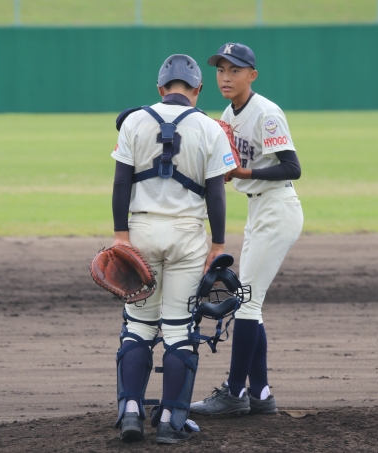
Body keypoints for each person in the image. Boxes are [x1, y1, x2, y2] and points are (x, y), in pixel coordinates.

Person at [110, 54, 236, 443]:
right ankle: (170, 420)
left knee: (138, 326)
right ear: (198, 89)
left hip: (142, 232)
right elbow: (216, 194)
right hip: (187, 235)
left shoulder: (133, 121)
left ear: (161, 89)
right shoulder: (210, 128)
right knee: (180, 330)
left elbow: (121, 183)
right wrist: (217, 243)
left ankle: (131, 413)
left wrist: (121, 236)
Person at [190, 43, 304, 416]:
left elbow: (292, 167)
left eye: (235, 70)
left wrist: (242, 172)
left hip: (277, 207)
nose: (226, 77)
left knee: (247, 303)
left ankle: (235, 394)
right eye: (221, 70)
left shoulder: (266, 114)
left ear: (252, 75)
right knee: (251, 305)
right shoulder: (228, 113)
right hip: (259, 210)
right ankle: (261, 394)